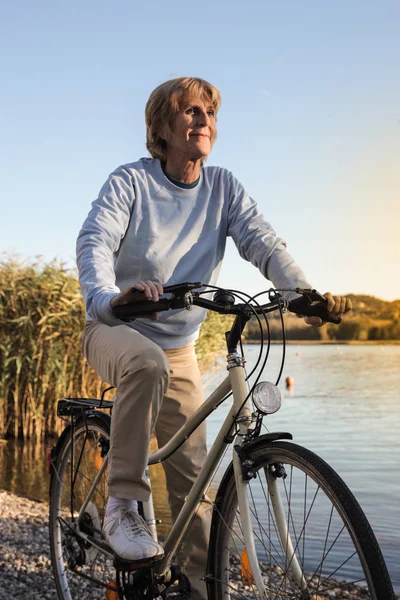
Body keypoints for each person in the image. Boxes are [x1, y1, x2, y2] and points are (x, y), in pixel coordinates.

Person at [76, 76, 352, 600]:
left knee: (195, 483)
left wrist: (304, 294)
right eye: (189, 111)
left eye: (209, 112)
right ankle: (123, 507)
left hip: (179, 348)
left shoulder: (222, 186)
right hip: (116, 327)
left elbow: (261, 240)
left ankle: (200, 588)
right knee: (146, 363)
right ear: (161, 127)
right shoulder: (130, 182)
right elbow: (96, 238)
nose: (203, 119)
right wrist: (108, 296)